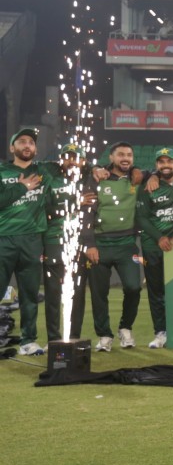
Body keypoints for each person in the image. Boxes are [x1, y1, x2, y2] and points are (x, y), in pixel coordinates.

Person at [82, 142, 145, 352]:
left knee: (134, 287)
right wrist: (89, 244)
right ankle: (104, 335)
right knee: (99, 293)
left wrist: (148, 174)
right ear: (111, 157)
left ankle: (125, 328)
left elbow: (158, 172)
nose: (125, 158)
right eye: (120, 155)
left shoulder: (137, 178)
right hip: (99, 245)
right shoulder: (97, 178)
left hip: (127, 245)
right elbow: (87, 214)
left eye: (129, 155)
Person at [135, 148, 173, 348]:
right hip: (153, 245)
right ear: (157, 165)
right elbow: (141, 218)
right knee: (156, 291)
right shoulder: (148, 185)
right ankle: (161, 332)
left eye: (170, 161)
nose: (165, 165)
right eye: (161, 162)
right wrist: (159, 237)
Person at [0, 128, 49, 355]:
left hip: (32, 240)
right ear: (12, 148)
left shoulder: (44, 172)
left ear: (36, 148)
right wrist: (22, 187)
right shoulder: (1, 171)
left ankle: (28, 341)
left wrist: (100, 169)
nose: (27, 145)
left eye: (31, 142)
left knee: (30, 294)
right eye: (21, 142)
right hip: (3, 238)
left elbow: (74, 166)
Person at [41, 143, 93, 344]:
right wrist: (74, 203)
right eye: (67, 156)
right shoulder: (51, 180)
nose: (72, 161)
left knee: (78, 292)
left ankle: (74, 337)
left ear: (84, 161)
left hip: (80, 243)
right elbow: (44, 211)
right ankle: (53, 339)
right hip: (55, 240)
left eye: (76, 157)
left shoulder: (90, 180)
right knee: (53, 293)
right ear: (60, 159)